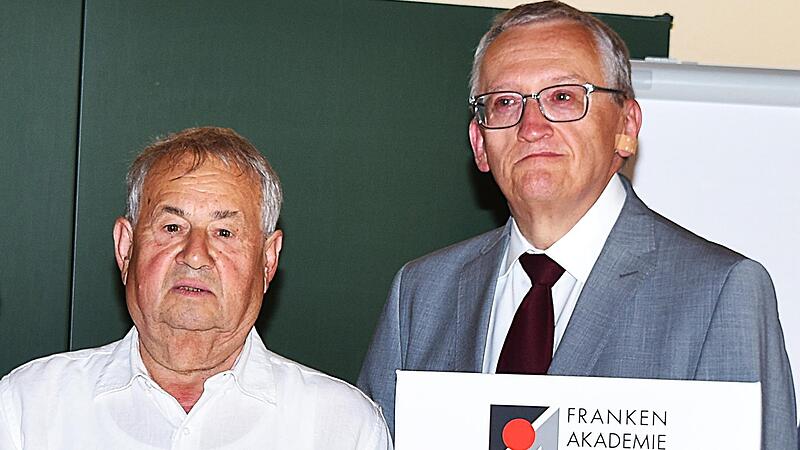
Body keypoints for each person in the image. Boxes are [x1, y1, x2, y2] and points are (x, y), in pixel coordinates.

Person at [357, 2, 796, 448]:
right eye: (506, 102)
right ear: (480, 143)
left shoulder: (720, 293)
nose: (532, 126)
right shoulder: (420, 294)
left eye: (563, 97)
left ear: (627, 125)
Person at [0, 127, 392, 449]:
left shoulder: (344, 429)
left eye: (224, 232)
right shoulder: (26, 409)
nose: (195, 255)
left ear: (268, 260)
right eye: (172, 227)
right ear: (126, 248)